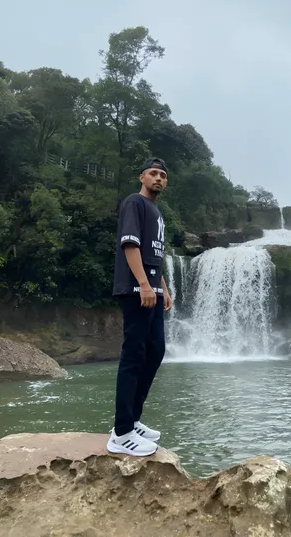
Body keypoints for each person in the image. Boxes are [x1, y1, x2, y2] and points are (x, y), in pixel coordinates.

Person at [107, 157, 173, 457]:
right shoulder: (134, 203)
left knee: (155, 350)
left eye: (162, 175)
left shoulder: (157, 211)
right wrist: (145, 285)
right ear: (141, 177)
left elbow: (153, 255)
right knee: (133, 356)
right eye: (152, 173)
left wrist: (162, 287)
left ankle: (132, 420)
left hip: (152, 290)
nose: (158, 178)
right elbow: (130, 245)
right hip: (137, 289)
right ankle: (121, 433)